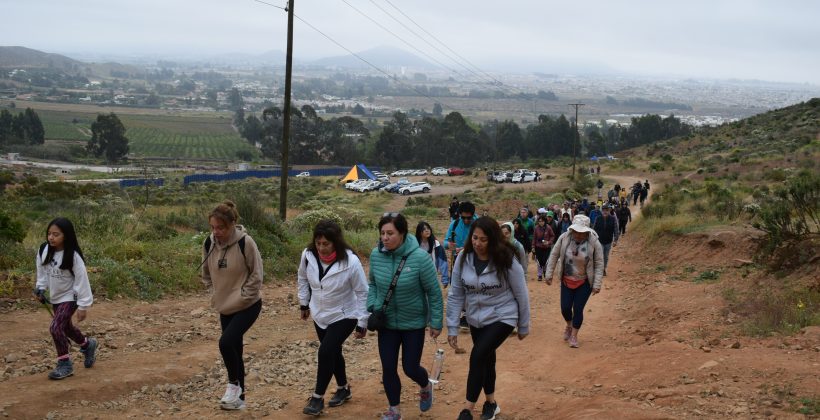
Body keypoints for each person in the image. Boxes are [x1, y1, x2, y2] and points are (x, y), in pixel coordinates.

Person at [447, 217, 530, 420]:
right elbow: (456, 293)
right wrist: (452, 325)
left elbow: (521, 293)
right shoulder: (463, 258)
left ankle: (467, 409)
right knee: (487, 359)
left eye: (483, 239)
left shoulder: (506, 259)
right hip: (475, 318)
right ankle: (491, 403)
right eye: (474, 238)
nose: (478, 243)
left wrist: (523, 325)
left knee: (477, 355)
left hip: (503, 315)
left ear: (492, 240)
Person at [368, 213, 443, 420]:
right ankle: (394, 410)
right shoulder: (376, 255)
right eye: (382, 233)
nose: (385, 237)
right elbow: (372, 284)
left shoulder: (419, 258)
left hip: (414, 323)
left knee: (410, 367)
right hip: (387, 323)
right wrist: (372, 306)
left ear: (402, 233)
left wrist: (436, 321)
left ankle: (425, 384)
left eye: (390, 233)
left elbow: (434, 292)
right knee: (388, 367)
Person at [299, 220, 369, 416]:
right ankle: (343, 388)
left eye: (326, 244)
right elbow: (302, 278)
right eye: (318, 243)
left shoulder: (351, 262)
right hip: (320, 314)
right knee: (333, 352)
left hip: (345, 314)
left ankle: (317, 398)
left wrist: (362, 322)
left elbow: (363, 293)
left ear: (335, 242)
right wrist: (304, 303)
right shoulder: (308, 255)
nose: (321, 248)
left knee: (325, 351)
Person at [202, 201, 263, 410]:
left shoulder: (246, 243)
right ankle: (240, 400)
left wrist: (243, 296)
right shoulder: (209, 244)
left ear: (232, 224)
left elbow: (257, 275)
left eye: (221, 227)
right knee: (235, 350)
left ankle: (233, 385)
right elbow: (206, 274)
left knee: (225, 343)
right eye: (213, 227)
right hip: (225, 306)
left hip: (248, 305)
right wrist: (215, 293)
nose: (216, 232)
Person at [34, 217, 97, 380]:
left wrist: (83, 306)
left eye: (56, 234)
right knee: (66, 328)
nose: (51, 237)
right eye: (49, 234)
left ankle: (65, 364)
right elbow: (42, 273)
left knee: (55, 328)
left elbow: (82, 280)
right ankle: (87, 344)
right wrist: (40, 288)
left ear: (66, 236)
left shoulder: (73, 256)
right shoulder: (43, 250)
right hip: (56, 297)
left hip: (71, 296)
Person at [544, 215, 604, 348]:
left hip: (584, 281)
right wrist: (549, 274)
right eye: (576, 231)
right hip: (567, 279)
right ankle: (569, 325)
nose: (578, 235)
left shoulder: (594, 241)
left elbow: (599, 263)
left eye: (581, 233)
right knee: (565, 308)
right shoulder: (564, 237)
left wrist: (597, 284)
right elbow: (554, 255)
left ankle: (574, 336)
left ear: (587, 231)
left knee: (578, 309)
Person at [416, 221, 450, 287]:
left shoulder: (436, 245)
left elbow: (443, 262)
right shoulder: (415, 245)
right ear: (419, 232)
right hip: (417, 277)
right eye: (424, 229)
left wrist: (445, 279)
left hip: (432, 276)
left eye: (428, 228)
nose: (427, 231)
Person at [592, 203, 619, 276]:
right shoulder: (598, 218)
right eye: (603, 210)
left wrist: (615, 240)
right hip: (599, 240)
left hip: (608, 241)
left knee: (606, 256)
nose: (605, 212)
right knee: (600, 256)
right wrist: (593, 239)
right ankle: (599, 269)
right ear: (601, 211)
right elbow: (594, 230)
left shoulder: (613, 219)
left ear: (609, 210)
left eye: (606, 210)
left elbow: (616, 230)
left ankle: (603, 268)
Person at [531, 215, 555, 281]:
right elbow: (534, 238)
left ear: (545, 221)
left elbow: (552, 236)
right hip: (538, 247)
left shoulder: (548, 228)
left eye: (542, 221)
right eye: (539, 221)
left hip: (547, 248)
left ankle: (545, 272)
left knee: (545, 261)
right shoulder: (536, 228)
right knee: (539, 262)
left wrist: (549, 242)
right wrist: (533, 246)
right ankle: (539, 275)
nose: (540, 222)